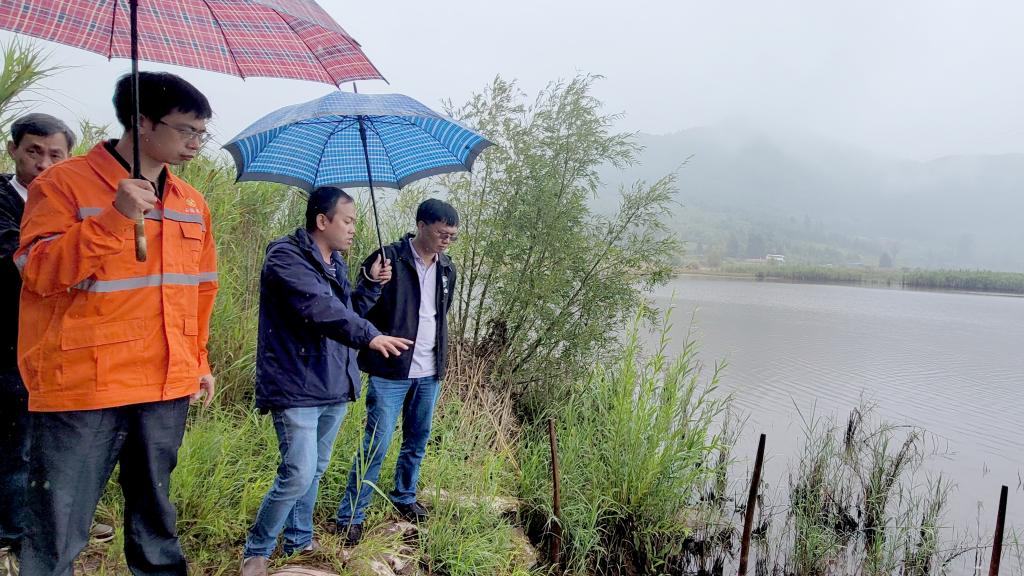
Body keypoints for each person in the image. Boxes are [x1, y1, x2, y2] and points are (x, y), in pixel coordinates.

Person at [14, 72, 217, 576]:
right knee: (58, 523)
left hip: (166, 382)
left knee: (156, 519)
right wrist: (115, 217)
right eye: (186, 129)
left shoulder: (191, 202)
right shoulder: (63, 184)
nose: (196, 142)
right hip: (86, 384)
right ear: (141, 122)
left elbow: (200, 291)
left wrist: (198, 361)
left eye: (202, 132)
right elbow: (38, 272)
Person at [241, 187, 412, 576]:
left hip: (332, 380)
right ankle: (257, 550)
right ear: (322, 221)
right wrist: (371, 335)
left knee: (315, 468)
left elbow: (346, 310)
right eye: (347, 221)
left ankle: (299, 540)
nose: (353, 229)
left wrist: (371, 284)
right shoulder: (285, 256)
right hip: (296, 382)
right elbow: (321, 309)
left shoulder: (334, 263)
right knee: (298, 471)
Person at [0, 114, 117, 572]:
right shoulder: (7, 201)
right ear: (13, 149)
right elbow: (24, 263)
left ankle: (47, 525)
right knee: (17, 440)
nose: (44, 163)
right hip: (9, 338)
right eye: (34, 151)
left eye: (56, 154)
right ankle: (13, 535)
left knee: (50, 442)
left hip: (58, 340)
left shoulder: (71, 202)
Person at [336, 198, 459, 545]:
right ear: (421, 225)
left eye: (452, 236)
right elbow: (355, 309)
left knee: (417, 440)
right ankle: (351, 516)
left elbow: (440, 315)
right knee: (376, 444)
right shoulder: (387, 258)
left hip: (429, 370)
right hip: (391, 369)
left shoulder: (447, 269)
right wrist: (373, 281)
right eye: (441, 233)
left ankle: (404, 496)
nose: (446, 240)